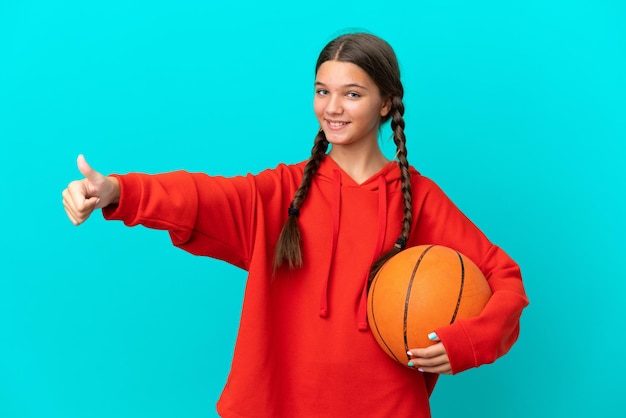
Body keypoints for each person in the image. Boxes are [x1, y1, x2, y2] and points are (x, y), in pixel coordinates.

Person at [62, 33, 529, 418]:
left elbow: (503, 278)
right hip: (276, 407)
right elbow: (201, 196)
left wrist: (468, 341)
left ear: (386, 103)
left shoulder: (420, 199)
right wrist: (119, 190)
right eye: (322, 91)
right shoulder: (282, 192)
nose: (332, 107)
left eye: (352, 93)